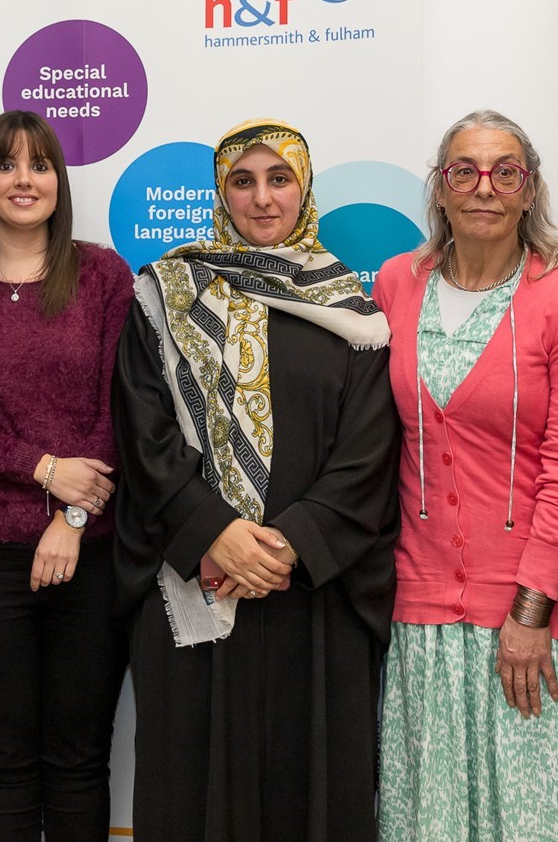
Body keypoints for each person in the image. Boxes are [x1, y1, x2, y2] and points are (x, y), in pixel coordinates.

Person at [112, 118, 399, 841]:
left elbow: (366, 456)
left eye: (280, 179)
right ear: (220, 192)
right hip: (196, 584)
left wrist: (285, 546)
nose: (262, 198)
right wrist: (215, 535)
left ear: (304, 191)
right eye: (243, 180)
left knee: (315, 797)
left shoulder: (352, 312)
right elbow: (143, 435)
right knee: (190, 794)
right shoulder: (165, 296)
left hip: (312, 597)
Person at [372, 111, 558, 840]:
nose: (485, 187)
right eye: (464, 171)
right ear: (439, 189)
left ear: (528, 190)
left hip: (535, 619)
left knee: (535, 823)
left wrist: (531, 611)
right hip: (421, 613)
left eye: (505, 171)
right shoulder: (397, 284)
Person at [0, 111, 133, 841]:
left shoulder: (102, 275)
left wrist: (71, 520)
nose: (23, 180)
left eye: (39, 165)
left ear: (58, 181)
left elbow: (122, 409)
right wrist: (45, 470)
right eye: (6, 165)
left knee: (79, 760)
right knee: (6, 758)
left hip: (93, 552)